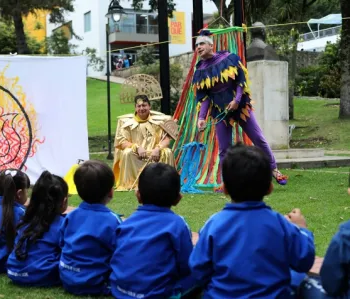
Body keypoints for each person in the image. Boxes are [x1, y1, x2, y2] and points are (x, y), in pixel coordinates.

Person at [189, 144, 315, 298]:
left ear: (225, 189)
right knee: (299, 278)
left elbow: (198, 268)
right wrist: (302, 229)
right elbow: (304, 261)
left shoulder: (213, 224)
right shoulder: (280, 224)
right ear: (270, 188)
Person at [193, 30, 288, 189]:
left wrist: (237, 100)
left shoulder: (229, 58)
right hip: (220, 113)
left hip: (241, 107)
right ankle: (227, 183)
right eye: (196, 45)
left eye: (201, 43)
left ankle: (274, 170)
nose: (198, 47)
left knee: (259, 139)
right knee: (224, 149)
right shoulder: (200, 71)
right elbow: (204, 98)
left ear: (211, 45)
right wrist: (201, 118)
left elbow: (241, 81)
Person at [110, 163, 199, 298]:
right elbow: (186, 266)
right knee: (199, 274)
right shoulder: (178, 224)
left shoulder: (125, 223)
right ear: (178, 199)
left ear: (138, 195)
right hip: (154, 294)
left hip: (119, 290)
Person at [59, 160, 121, 295]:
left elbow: (62, 243)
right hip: (94, 282)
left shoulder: (70, 216)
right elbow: (120, 252)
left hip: (67, 278)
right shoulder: (112, 220)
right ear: (111, 192)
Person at [7, 171, 68, 287]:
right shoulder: (62, 224)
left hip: (13, 271)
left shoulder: (24, 220)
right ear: (64, 202)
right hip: (41, 276)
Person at [113, 94, 175, 191]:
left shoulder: (161, 120)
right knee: (127, 153)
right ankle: (131, 184)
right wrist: (136, 148)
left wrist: (158, 149)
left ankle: (167, 182)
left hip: (155, 153)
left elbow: (167, 138)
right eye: (139, 106)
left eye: (144, 105)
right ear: (135, 108)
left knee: (167, 152)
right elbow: (121, 142)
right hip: (136, 154)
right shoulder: (124, 122)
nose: (142, 108)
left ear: (149, 106)